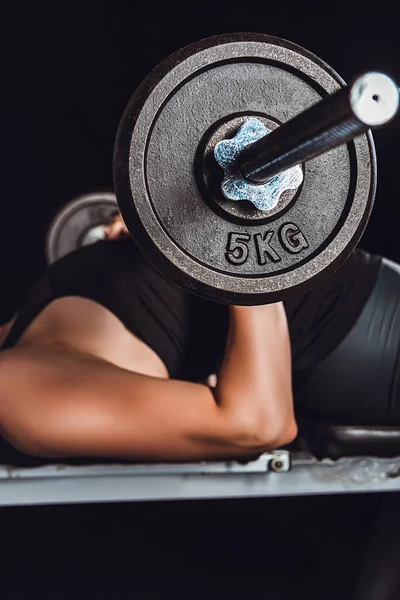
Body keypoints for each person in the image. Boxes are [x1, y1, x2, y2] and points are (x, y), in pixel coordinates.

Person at [0, 211, 397, 464]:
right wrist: (233, 240)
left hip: (355, 281)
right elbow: (256, 424)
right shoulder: (13, 393)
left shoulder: (18, 334)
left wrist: (155, 230)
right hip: (351, 334)